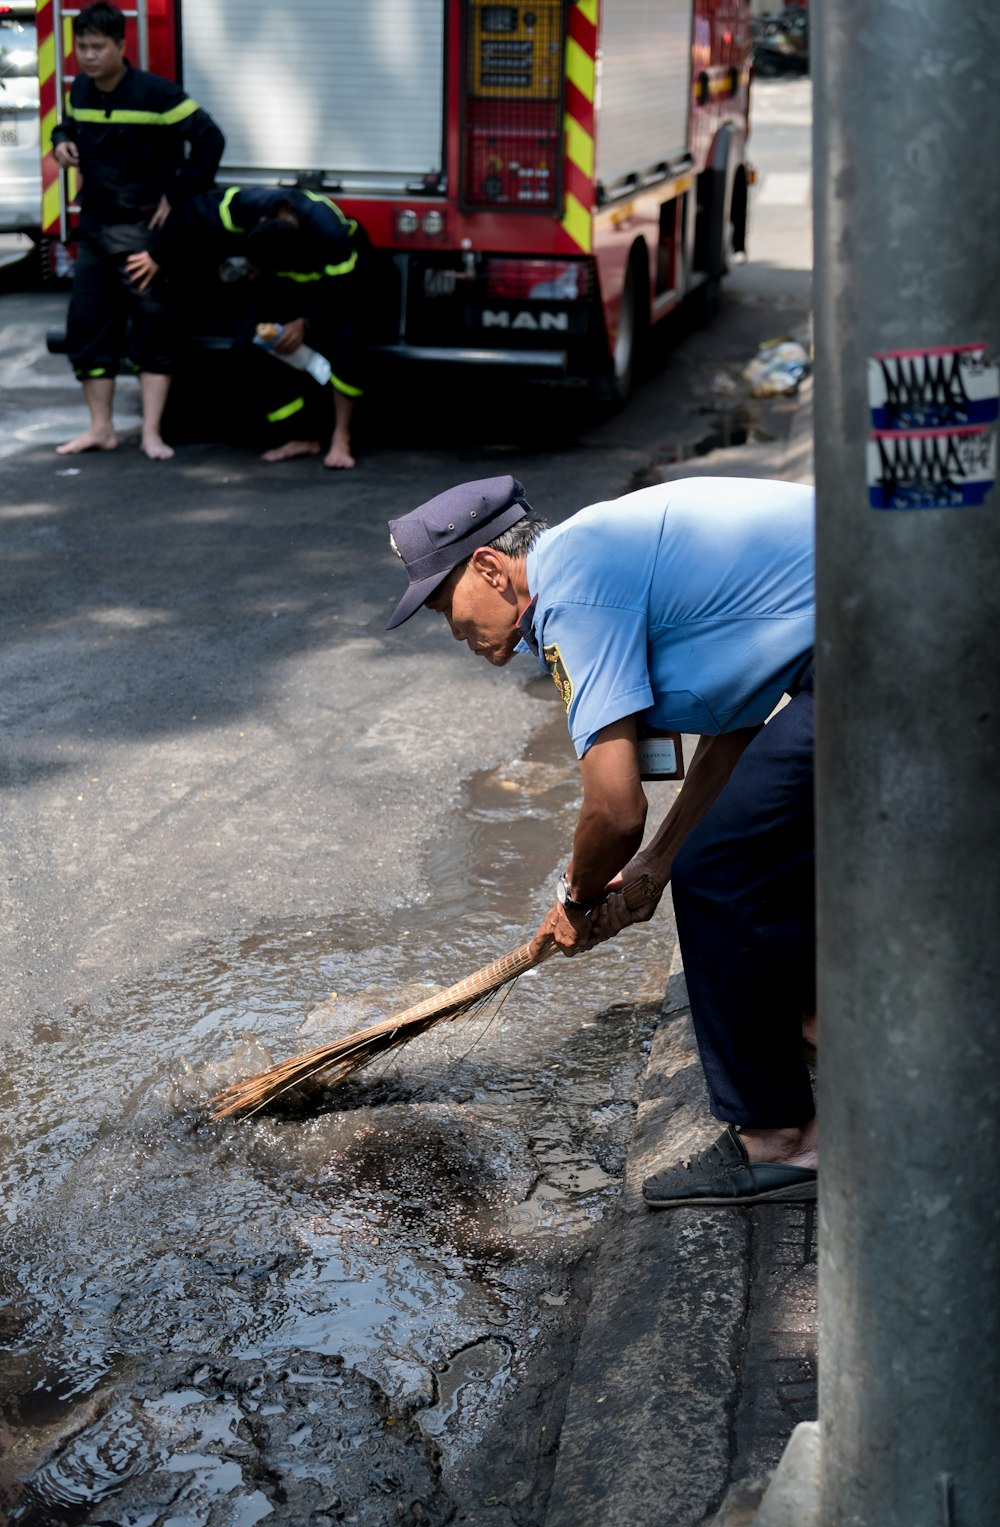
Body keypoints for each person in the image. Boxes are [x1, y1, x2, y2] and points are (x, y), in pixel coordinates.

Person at [385, 474, 818, 1208]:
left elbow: (615, 808)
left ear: (490, 568)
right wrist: (653, 866)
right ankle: (815, 1021)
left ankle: (782, 1142)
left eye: (442, 604)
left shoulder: (570, 599)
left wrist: (581, 900)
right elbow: (737, 727)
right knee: (749, 838)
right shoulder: (586, 558)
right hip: (884, 625)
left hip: (895, 635)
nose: (452, 630)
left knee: (720, 867)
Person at [51, 1, 224, 459]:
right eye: (81, 47)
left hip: (142, 233)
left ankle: (151, 433)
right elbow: (68, 125)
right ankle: (101, 429)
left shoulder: (156, 94)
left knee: (153, 331)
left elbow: (210, 139)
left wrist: (180, 194)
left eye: (96, 47)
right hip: (94, 231)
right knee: (86, 329)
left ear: (121, 46)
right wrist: (61, 141)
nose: (87, 56)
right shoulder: (81, 91)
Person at [127, 186, 368, 469]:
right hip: (280, 285)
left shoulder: (329, 230)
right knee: (247, 345)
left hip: (337, 287)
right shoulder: (248, 206)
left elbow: (346, 293)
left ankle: (341, 439)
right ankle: (300, 434)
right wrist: (158, 254)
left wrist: (306, 322)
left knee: (347, 344)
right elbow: (191, 211)